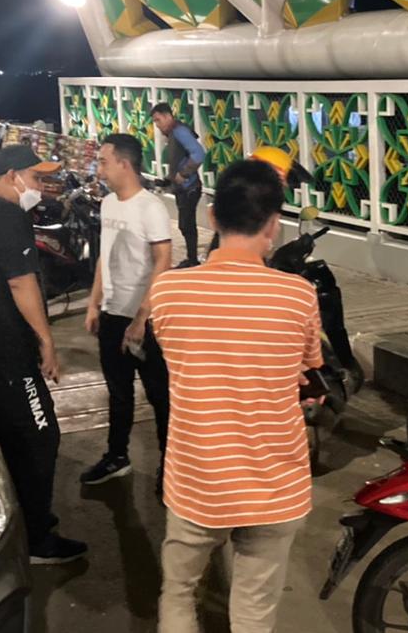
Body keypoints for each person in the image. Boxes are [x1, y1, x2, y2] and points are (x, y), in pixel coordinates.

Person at [148, 159, 322, 633]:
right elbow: (309, 368)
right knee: (254, 610)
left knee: (179, 593)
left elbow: (176, 354)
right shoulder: (298, 296)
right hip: (274, 484)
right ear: (273, 224)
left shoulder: (168, 291)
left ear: (211, 216)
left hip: (198, 480)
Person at [0, 144, 86, 564]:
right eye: (36, 178)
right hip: (5, 350)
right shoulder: (6, 215)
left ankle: (19, 520)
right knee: (40, 436)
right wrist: (46, 341)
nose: (40, 187)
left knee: (9, 438)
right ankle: (37, 537)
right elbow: (21, 283)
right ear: (12, 177)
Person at [79, 134, 173, 488]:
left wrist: (142, 316)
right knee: (118, 393)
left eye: (104, 162)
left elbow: (163, 262)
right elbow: (105, 256)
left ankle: (171, 465)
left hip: (145, 320)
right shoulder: (108, 204)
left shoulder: (151, 207)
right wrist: (94, 303)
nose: (99, 169)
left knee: (160, 396)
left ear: (124, 163)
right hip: (112, 313)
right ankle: (117, 456)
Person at [151, 103, 206, 267]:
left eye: (158, 120)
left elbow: (199, 153)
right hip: (184, 188)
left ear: (168, 116)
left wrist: (184, 174)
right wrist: (169, 179)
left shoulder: (180, 131)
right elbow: (180, 159)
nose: (157, 125)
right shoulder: (174, 132)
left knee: (186, 224)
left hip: (189, 187)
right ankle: (191, 258)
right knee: (186, 225)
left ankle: (192, 260)